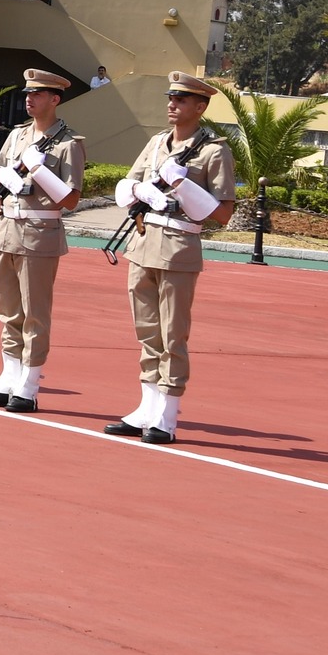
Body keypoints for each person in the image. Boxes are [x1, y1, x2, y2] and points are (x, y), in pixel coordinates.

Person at [104, 73, 237, 444]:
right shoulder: (156, 142)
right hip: (143, 244)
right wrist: (140, 189)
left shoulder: (214, 151)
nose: (172, 104)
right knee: (147, 332)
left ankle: (167, 415)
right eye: (171, 98)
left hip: (178, 248)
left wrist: (182, 185)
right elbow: (127, 186)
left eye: (181, 100)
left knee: (173, 334)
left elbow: (222, 214)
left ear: (200, 107)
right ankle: (147, 407)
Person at [0, 69, 85, 413]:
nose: (29, 99)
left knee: (34, 312)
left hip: (40, 233)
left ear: (55, 99)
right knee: (8, 310)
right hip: (7, 229)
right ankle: (9, 375)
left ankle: (30, 383)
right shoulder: (18, 136)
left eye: (38, 94)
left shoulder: (69, 144)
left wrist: (40, 171)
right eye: (27, 94)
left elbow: (70, 199)